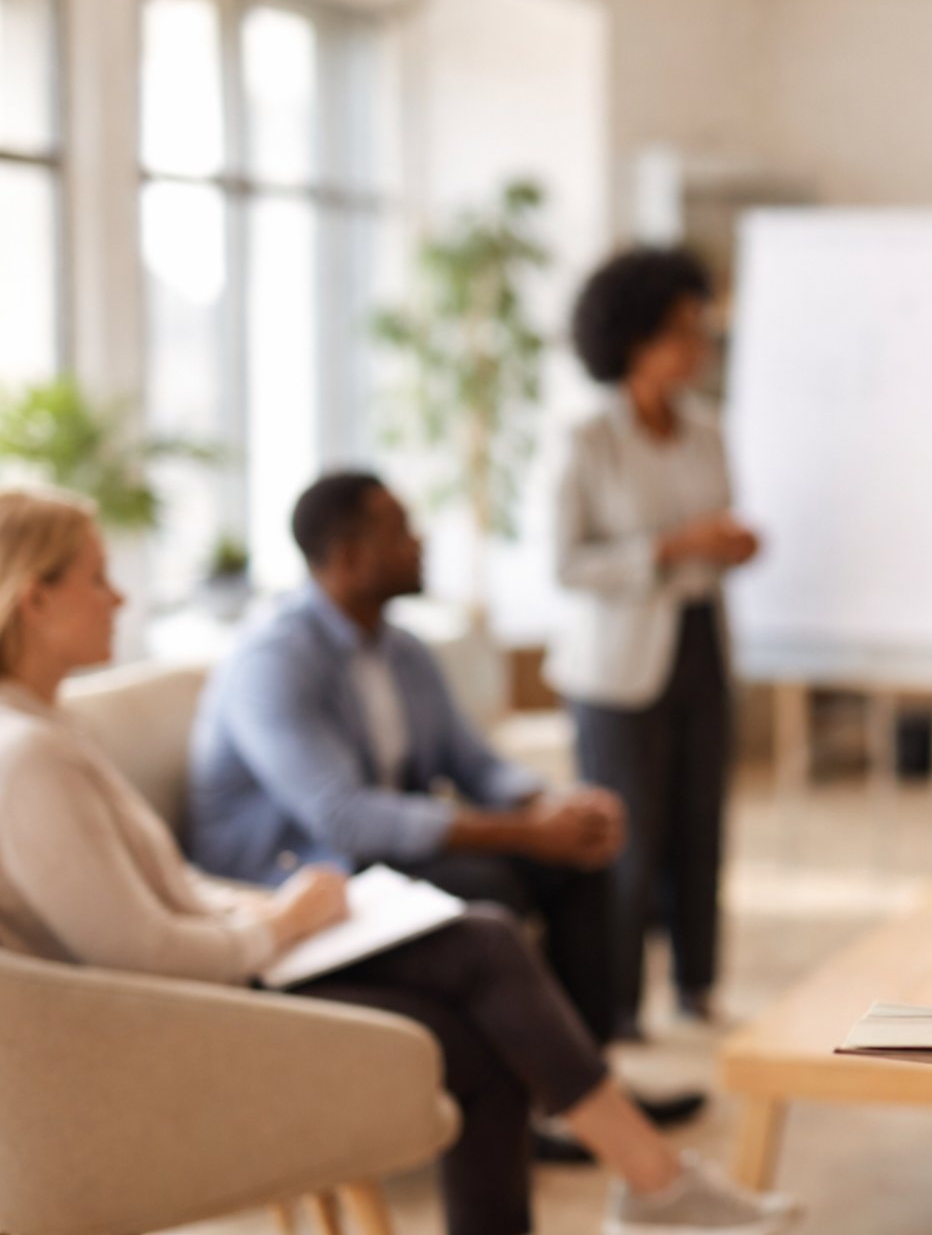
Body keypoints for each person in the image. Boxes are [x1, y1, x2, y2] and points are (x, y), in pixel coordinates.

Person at [0, 486, 797, 1235]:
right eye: (98, 578)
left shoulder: (51, 729)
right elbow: (139, 955)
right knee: (483, 946)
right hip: (186, 1015)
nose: (120, 598)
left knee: (484, 998)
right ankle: (657, 1185)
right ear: (33, 599)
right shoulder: (30, 756)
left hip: (237, 949)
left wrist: (540, 809)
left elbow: (170, 887)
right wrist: (279, 922)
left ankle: (646, 1173)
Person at [188, 472, 641, 1050]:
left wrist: (552, 805)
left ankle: (591, 1072)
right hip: (297, 877)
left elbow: (474, 763)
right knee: (486, 885)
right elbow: (343, 819)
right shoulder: (272, 662)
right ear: (349, 558)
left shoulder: (403, 650)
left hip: (376, 855)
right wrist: (526, 832)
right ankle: (526, 1083)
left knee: (578, 857)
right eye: (400, 531)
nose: (420, 542)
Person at [548, 247, 759, 1036]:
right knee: (628, 836)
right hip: (616, 664)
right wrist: (667, 548)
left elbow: (718, 527)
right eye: (682, 329)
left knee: (702, 825)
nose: (699, 344)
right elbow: (566, 564)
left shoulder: (707, 428)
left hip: (700, 638)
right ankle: (618, 1003)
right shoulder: (586, 440)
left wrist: (729, 546)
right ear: (632, 337)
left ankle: (697, 985)